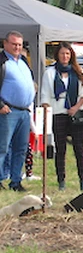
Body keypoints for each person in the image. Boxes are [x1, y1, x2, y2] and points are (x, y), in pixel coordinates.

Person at [39, 41, 83, 191]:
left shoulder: (78, 71)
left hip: (75, 112)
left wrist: (76, 107)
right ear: (57, 55)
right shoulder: (50, 72)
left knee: (79, 148)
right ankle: (61, 180)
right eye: (62, 53)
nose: (65, 56)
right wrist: (46, 111)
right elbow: (45, 95)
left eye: (67, 53)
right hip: (57, 112)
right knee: (60, 149)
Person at [0, 31, 36, 192]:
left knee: (20, 148)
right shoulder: (2, 61)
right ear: (5, 43)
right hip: (7, 111)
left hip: (24, 111)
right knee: (2, 147)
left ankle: (15, 181)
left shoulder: (22, 61)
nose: (17, 47)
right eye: (14, 44)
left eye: (20, 44)